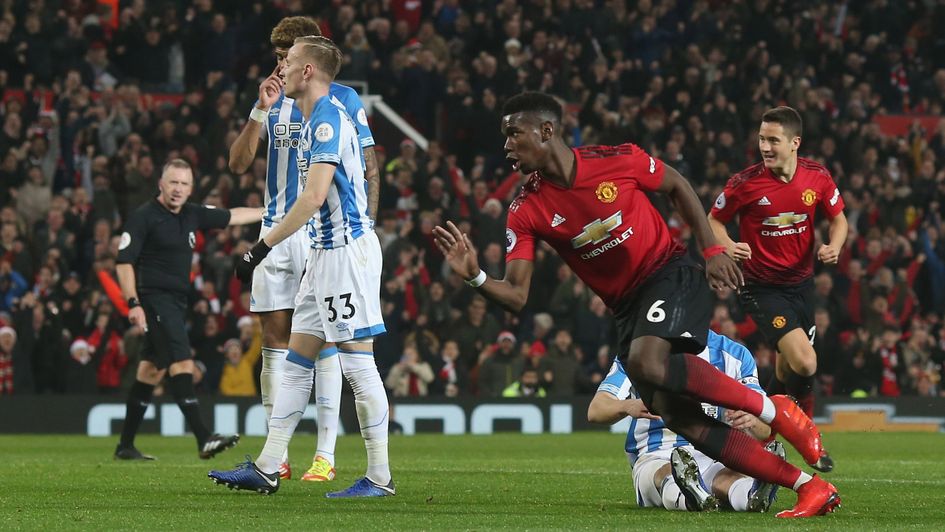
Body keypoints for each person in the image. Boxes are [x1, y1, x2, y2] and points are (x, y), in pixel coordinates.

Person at [432, 92, 837, 518]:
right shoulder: (526, 208)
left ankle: (777, 410)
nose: (507, 146)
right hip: (627, 310)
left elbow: (677, 185)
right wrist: (475, 276)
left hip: (669, 274)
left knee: (646, 361)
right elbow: (516, 295)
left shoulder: (616, 159)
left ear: (546, 131)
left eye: (514, 134)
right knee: (682, 417)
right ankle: (809, 486)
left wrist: (712, 250)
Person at [210, 36, 392, 498]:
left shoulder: (328, 119)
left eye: (289, 61)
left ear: (307, 71)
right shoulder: (312, 117)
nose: (282, 69)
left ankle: (379, 476)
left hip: (344, 253)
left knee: (358, 364)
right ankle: (268, 466)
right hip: (323, 254)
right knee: (296, 360)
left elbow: (312, 197)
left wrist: (260, 248)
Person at [114, 158, 262, 460]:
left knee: (150, 371)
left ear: (191, 188)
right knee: (182, 362)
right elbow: (124, 262)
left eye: (184, 183)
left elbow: (233, 216)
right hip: (155, 300)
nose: (178, 189)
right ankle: (204, 437)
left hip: (176, 303)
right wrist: (133, 303)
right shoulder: (143, 217)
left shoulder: (192, 214)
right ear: (161, 183)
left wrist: (271, 212)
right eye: (173, 182)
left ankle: (125, 446)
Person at [708, 106, 848, 419]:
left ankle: (764, 430)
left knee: (786, 370)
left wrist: (835, 246)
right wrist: (729, 246)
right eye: (762, 139)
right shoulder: (745, 183)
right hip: (761, 288)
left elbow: (839, 219)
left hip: (802, 286)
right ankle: (806, 425)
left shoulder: (817, 177)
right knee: (806, 362)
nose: (765, 147)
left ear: (795, 142)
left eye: (773, 140)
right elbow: (713, 220)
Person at [588, 330, 784, 513]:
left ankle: (750, 496)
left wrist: (752, 420)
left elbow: (765, 429)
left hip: (714, 451)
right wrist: (627, 405)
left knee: (729, 478)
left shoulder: (735, 355)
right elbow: (596, 410)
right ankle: (693, 496)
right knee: (665, 473)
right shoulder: (640, 351)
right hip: (657, 453)